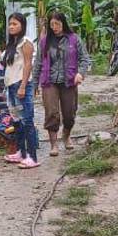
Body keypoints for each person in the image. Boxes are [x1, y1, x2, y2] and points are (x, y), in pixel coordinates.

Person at [37, 11, 91, 156]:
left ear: (63, 24)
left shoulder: (74, 39)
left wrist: (80, 73)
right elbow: (38, 63)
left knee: (69, 113)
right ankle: (53, 145)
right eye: (52, 24)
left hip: (69, 81)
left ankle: (66, 136)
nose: (55, 27)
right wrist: (34, 83)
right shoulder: (44, 41)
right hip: (49, 81)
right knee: (51, 113)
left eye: (57, 24)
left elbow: (84, 59)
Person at [2, 13, 39, 168]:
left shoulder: (25, 42)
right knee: (17, 120)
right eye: (10, 24)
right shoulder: (12, 44)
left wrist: (23, 85)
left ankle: (32, 156)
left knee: (27, 120)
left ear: (22, 25)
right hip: (11, 85)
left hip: (20, 84)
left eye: (15, 24)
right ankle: (21, 152)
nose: (11, 26)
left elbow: (28, 64)